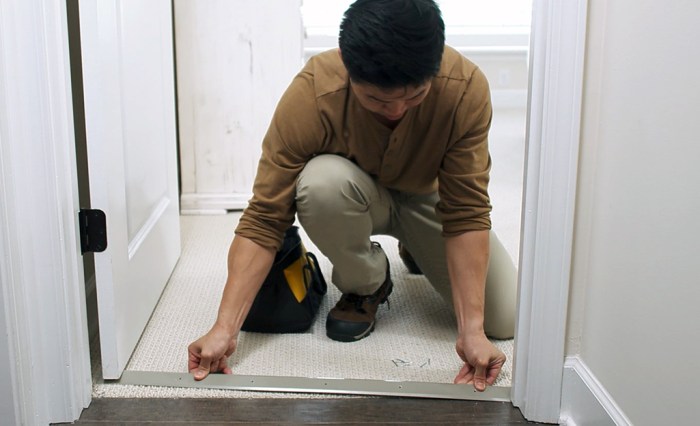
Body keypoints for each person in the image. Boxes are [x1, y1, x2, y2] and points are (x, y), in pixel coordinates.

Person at [188, 0, 517, 392]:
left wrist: (472, 332)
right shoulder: (312, 92)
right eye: (377, 99)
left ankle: (418, 246)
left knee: (505, 318)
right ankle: (368, 284)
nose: (395, 110)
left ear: (436, 65)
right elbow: (264, 218)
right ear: (347, 62)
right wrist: (225, 328)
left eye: (414, 97)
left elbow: (467, 212)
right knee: (319, 183)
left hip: (431, 200)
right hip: (350, 197)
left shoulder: (465, 89)